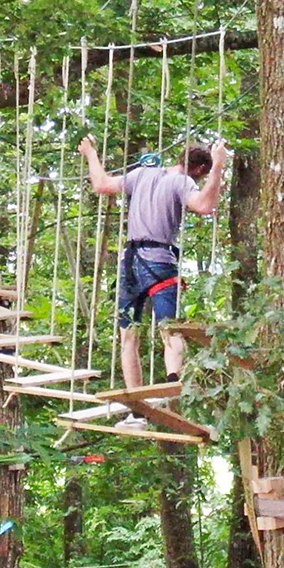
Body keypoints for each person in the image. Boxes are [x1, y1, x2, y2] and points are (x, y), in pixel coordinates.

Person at [78, 135, 229, 389]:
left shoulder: (141, 175)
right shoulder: (183, 182)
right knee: (170, 328)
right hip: (160, 263)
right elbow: (204, 205)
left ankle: (136, 405)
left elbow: (102, 184)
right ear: (200, 169)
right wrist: (218, 167)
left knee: (128, 338)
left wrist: (91, 154)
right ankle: (173, 379)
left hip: (131, 264)